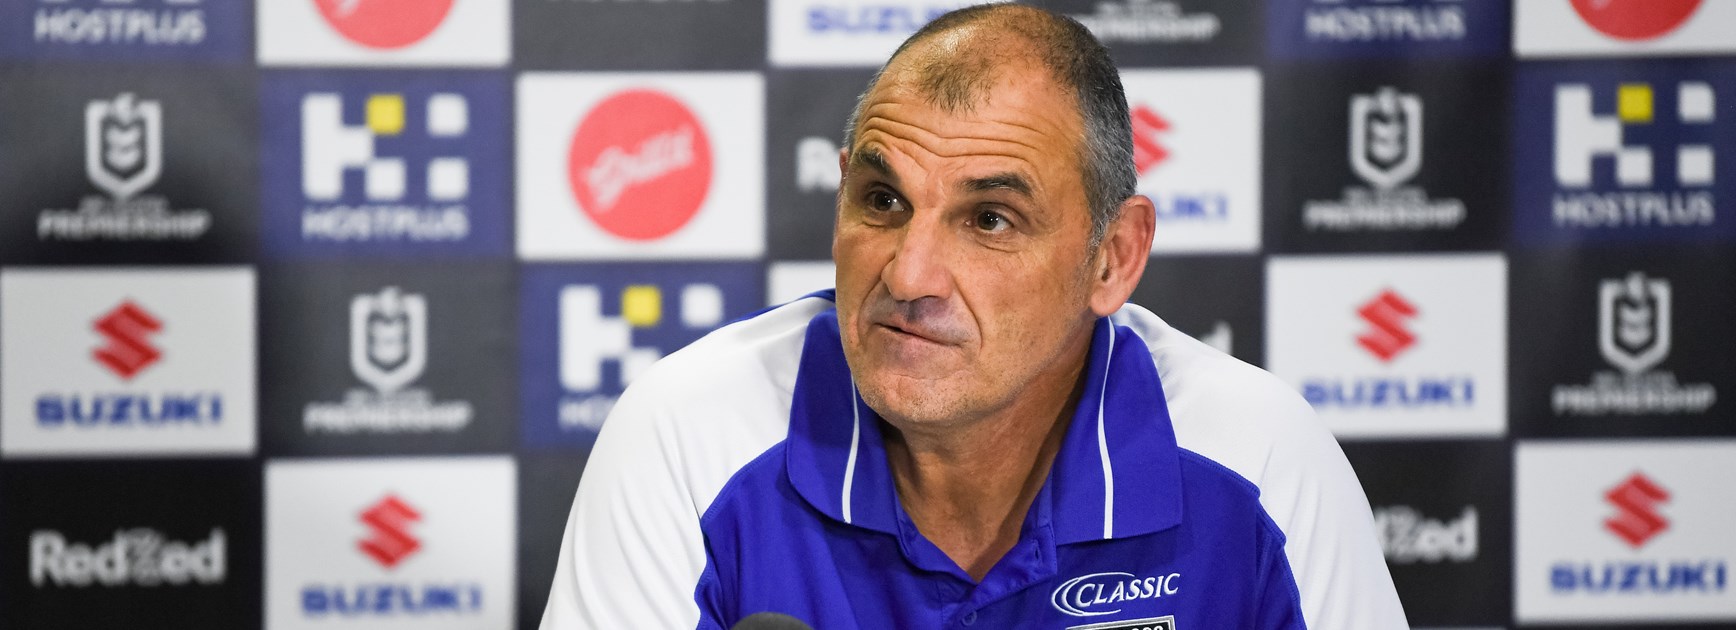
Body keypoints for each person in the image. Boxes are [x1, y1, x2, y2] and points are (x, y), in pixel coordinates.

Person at [541, 4, 1407, 628]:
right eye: (882, 200)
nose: (909, 274)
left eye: (990, 219)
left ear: (1112, 258)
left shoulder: (1257, 459)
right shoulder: (692, 434)